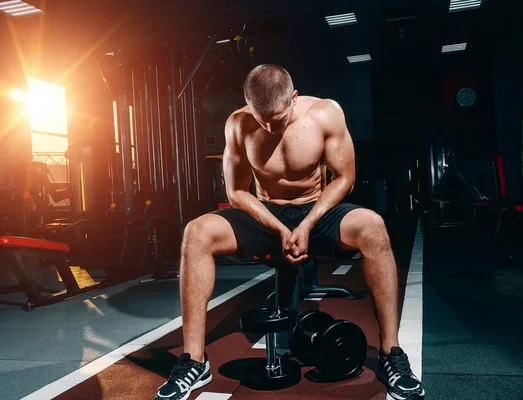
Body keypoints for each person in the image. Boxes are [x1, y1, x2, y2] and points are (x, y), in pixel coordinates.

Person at [154, 64, 425, 400]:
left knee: (372, 227)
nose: (269, 127)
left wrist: (307, 224)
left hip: (316, 208)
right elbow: (236, 191)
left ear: (294, 98)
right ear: (247, 105)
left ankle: (390, 355)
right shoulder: (238, 124)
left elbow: (345, 177)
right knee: (196, 233)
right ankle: (194, 360)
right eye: (261, 118)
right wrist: (280, 228)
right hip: (267, 213)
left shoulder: (325, 113)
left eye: (278, 119)